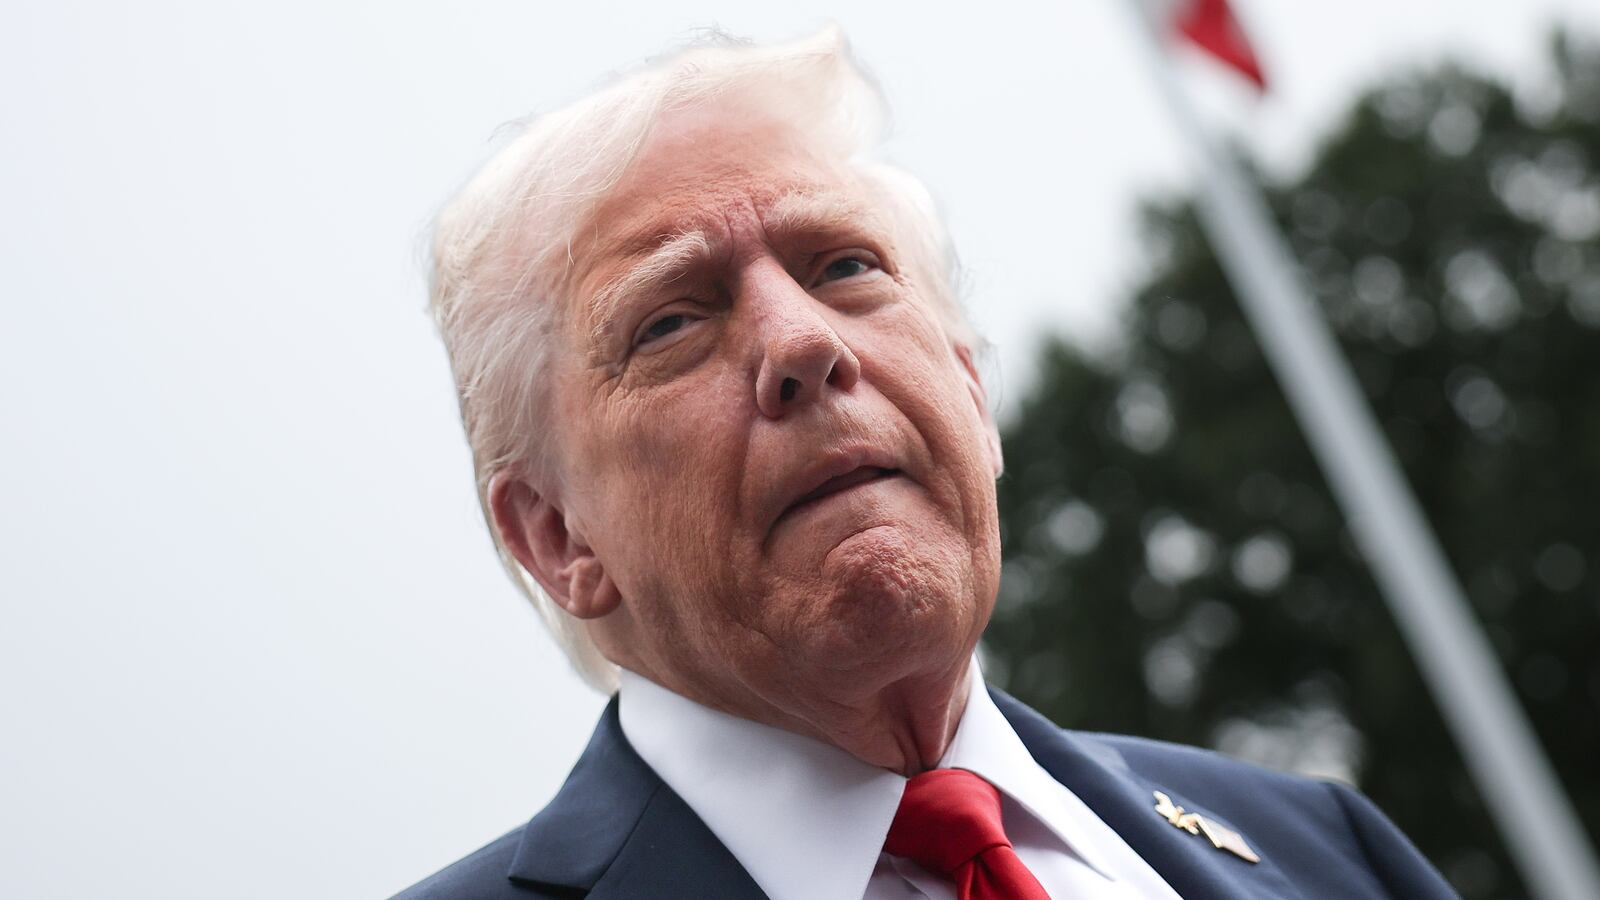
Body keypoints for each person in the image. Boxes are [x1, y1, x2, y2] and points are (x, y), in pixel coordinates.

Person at [398, 28, 1457, 900]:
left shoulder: (1329, 852)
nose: (805, 344)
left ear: (972, 392)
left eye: (846, 265)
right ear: (556, 535)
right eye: (673, 321)